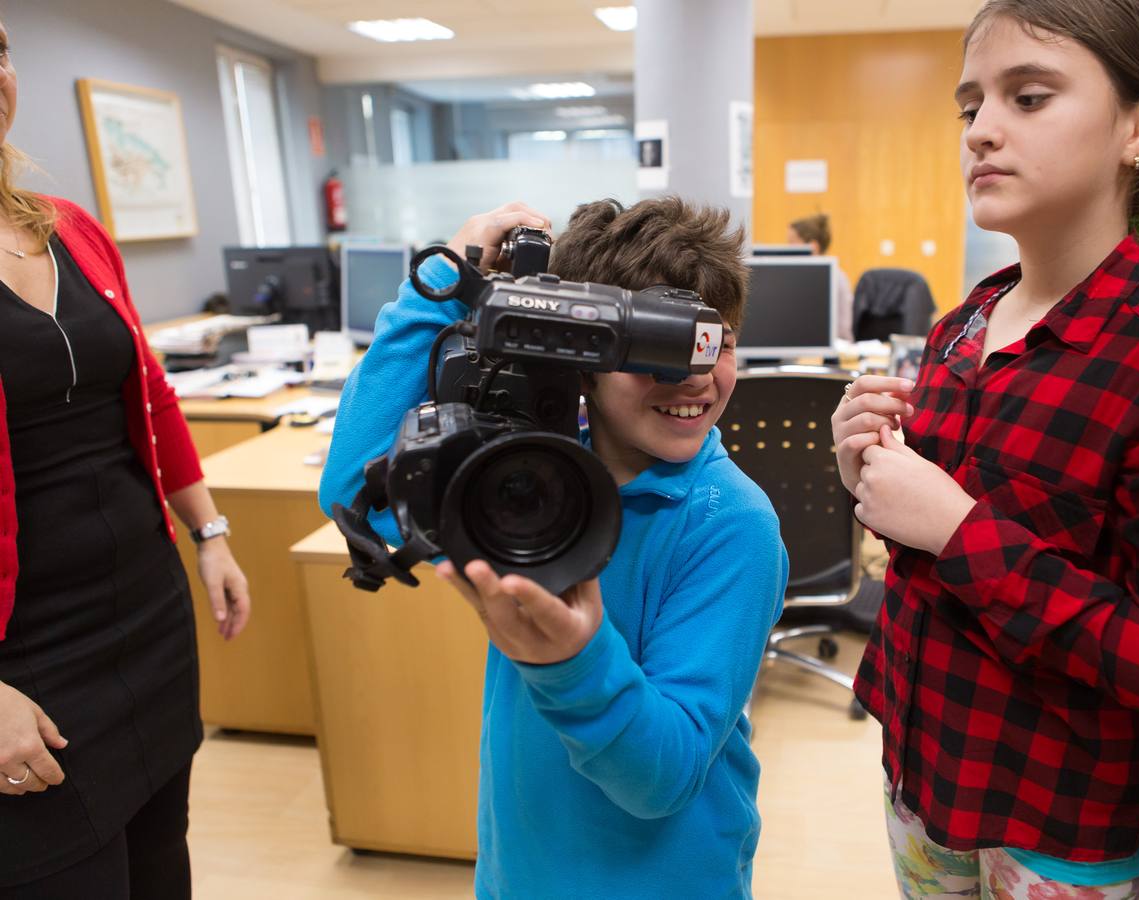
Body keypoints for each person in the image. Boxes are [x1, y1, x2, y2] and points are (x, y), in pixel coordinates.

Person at [832, 1, 1139, 896]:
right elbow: (933, 561)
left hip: (1062, 829)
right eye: (972, 108)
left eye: (1030, 97)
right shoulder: (965, 322)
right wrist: (870, 479)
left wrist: (960, 530)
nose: (983, 133)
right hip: (922, 774)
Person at [318, 198, 788, 899]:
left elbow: (665, 777)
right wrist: (444, 285)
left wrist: (570, 662)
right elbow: (359, 497)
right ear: (583, 358)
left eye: (713, 344)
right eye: (653, 351)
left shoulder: (730, 524)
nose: (693, 376)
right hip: (520, 869)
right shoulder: (524, 483)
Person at [0, 17, 251, 897]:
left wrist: (209, 532)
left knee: (160, 857)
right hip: (22, 657)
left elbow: (147, 392)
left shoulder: (68, 227)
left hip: (143, 616)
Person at [788, 212, 855, 341]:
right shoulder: (798, 280)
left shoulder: (836, 279)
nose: (788, 248)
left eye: (792, 242)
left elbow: (842, 331)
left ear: (813, 247)